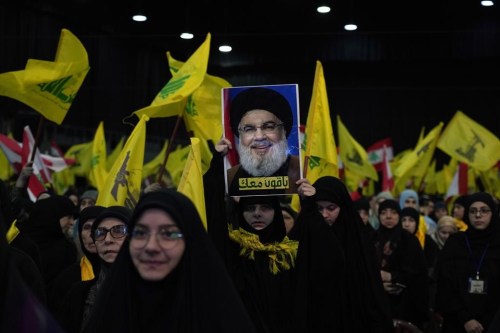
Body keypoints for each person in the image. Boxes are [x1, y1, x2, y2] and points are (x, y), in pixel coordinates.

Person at [82, 189, 256, 333]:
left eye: (168, 234)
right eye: (140, 233)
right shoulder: (109, 309)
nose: (151, 247)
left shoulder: (221, 316)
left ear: (190, 242)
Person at [292, 176, 393, 333]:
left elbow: (370, 293)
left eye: (331, 208)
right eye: (319, 208)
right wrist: (308, 208)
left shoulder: (358, 241)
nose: (324, 215)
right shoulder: (306, 234)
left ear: (343, 207)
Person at [57, 206, 132, 333]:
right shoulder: (78, 294)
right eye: (100, 233)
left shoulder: (152, 292)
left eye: (119, 230)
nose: (108, 240)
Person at [435, 192, 500, 333]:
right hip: (458, 322)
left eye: (484, 211)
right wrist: (465, 318)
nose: (478, 215)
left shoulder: (497, 243)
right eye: (473, 211)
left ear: (493, 213)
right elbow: (444, 285)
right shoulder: (455, 243)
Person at [225, 86, 301, 196]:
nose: (259, 137)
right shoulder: (230, 178)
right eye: (249, 129)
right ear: (240, 136)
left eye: (269, 127)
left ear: (283, 131)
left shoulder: (303, 170)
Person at [373, 199, 429, 329]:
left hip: (405, 306)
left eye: (393, 212)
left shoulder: (409, 241)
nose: (388, 216)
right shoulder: (370, 239)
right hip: (376, 305)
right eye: (383, 212)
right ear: (378, 216)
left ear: (399, 215)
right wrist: (379, 285)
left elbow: (419, 275)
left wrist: (391, 277)